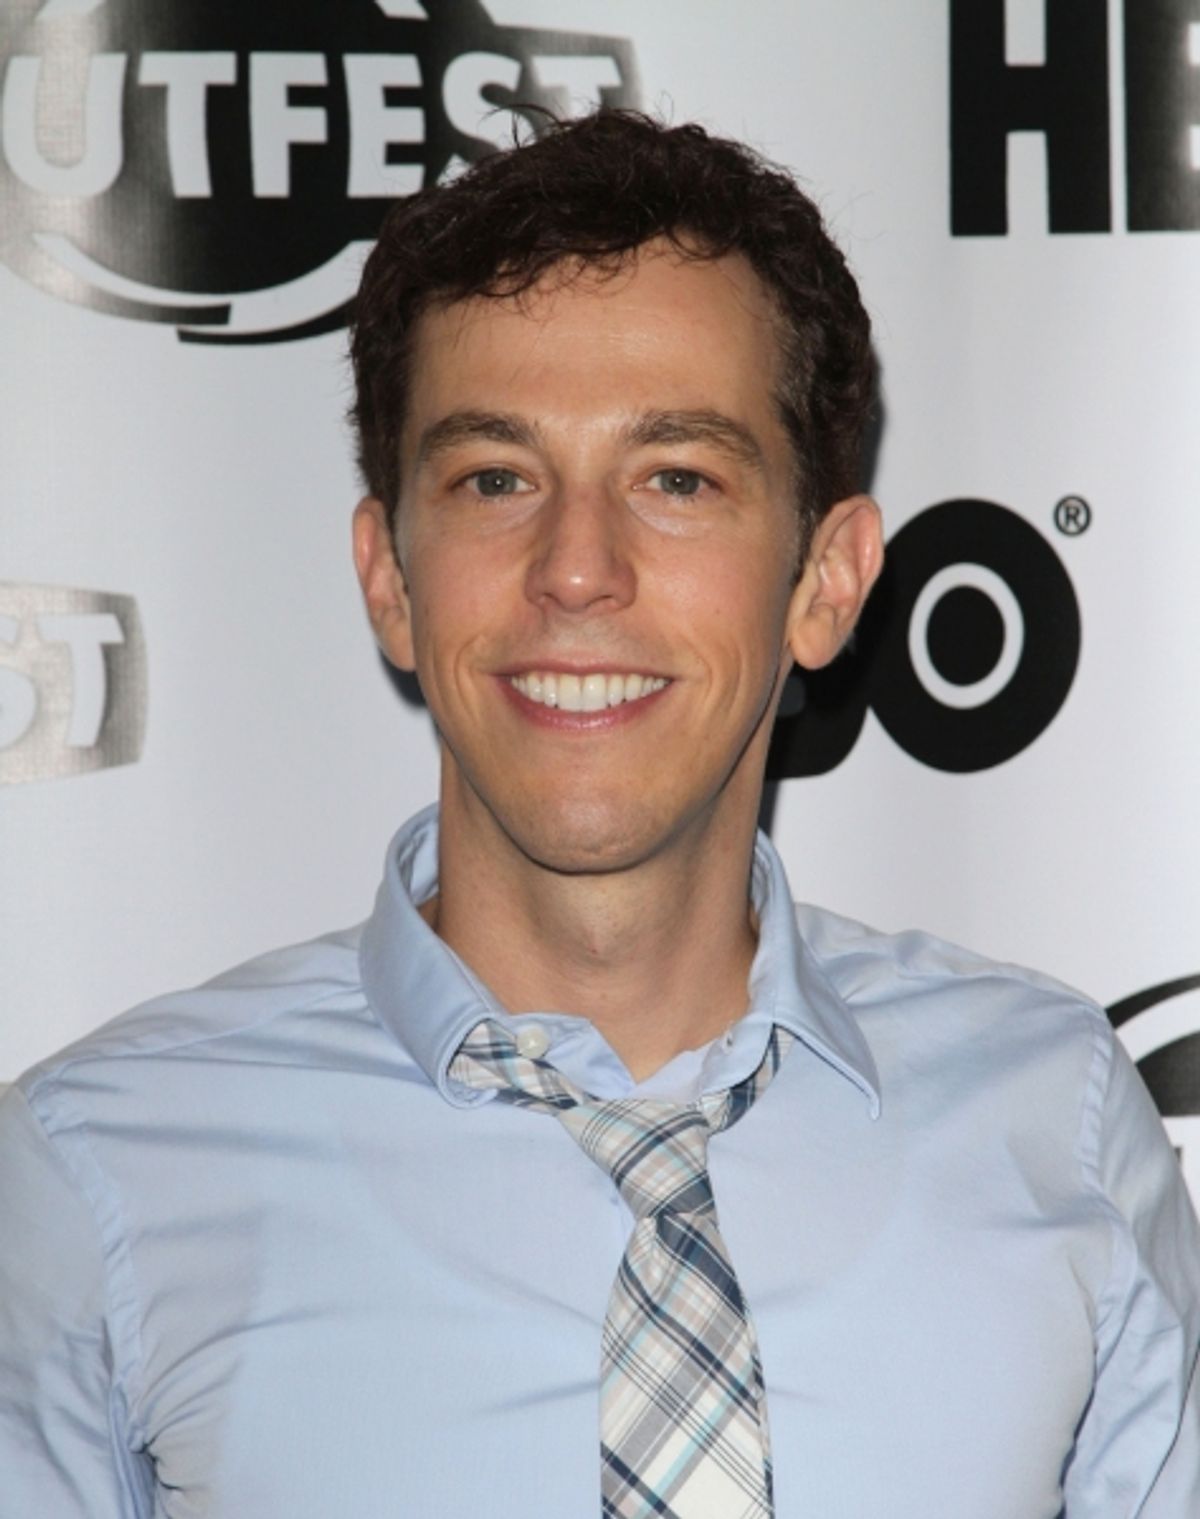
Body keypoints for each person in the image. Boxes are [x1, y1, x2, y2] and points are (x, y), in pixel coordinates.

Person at [1, 111, 1196, 1519]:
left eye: (677, 479)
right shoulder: (92, 1183)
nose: (577, 569)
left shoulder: (1056, 1127)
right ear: (389, 575)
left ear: (828, 581)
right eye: (496, 479)